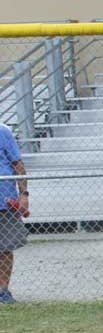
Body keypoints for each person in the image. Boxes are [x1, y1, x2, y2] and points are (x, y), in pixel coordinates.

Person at [0, 122, 28, 304]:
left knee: (5, 248)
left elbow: (17, 163)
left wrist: (24, 194)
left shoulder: (2, 132)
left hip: (4, 199)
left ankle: (3, 291)